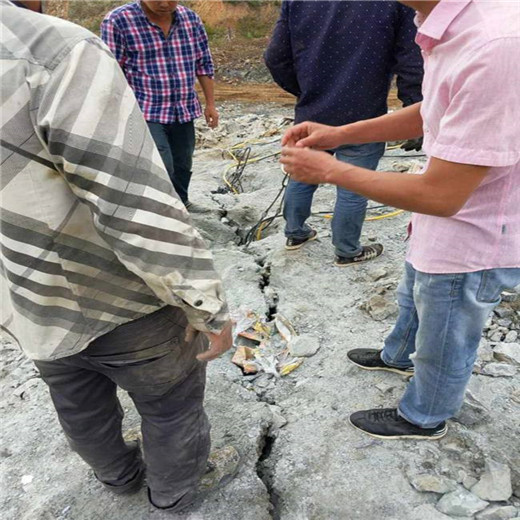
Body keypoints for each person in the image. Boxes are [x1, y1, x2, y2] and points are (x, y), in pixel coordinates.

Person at [0, 0, 238, 512]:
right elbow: (129, 200)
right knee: (170, 402)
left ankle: (116, 476)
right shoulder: (50, 49)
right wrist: (207, 304)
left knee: (78, 401)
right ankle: (172, 494)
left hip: (28, 298)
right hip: (119, 298)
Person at [280, 0, 520, 439]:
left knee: (445, 333)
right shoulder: (445, 21)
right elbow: (433, 110)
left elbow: (443, 196)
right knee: (416, 294)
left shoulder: (496, 42)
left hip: (473, 233)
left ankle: (424, 416)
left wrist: (330, 169)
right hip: (443, 218)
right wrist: (341, 134)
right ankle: (398, 356)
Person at [265, 0, 423, 265]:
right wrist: (415, 108)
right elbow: (410, 58)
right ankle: (347, 251)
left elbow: (275, 57)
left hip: (312, 111)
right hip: (364, 116)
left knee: (302, 174)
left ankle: (295, 234)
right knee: (354, 187)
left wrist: (306, 92)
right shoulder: (395, 3)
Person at [101, 1, 218, 213]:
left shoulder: (190, 20)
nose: (164, 4)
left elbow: (203, 63)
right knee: (161, 164)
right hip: (145, 109)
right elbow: (111, 70)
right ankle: (161, 211)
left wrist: (210, 104)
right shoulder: (118, 21)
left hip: (183, 108)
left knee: (183, 162)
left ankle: (182, 203)